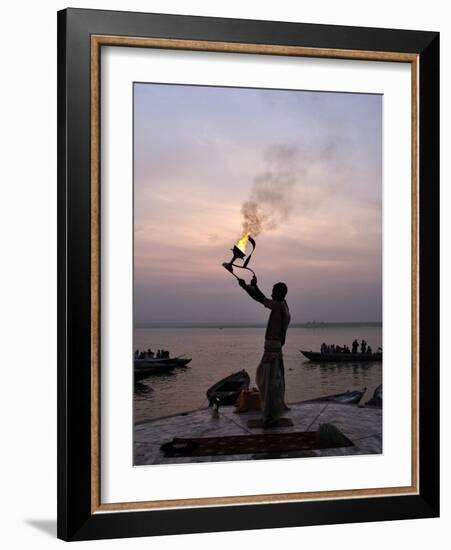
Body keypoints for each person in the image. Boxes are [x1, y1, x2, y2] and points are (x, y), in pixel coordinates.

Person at [238, 275, 291, 428]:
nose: (272, 293)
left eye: (274, 291)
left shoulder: (279, 306)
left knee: (268, 384)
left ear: (280, 293)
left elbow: (261, 299)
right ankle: (271, 414)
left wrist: (251, 287)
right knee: (269, 383)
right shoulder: (282, 305)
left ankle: (270, 416)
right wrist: (249, 287)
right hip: (273, 350)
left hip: (272, 351)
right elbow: (261, 299)